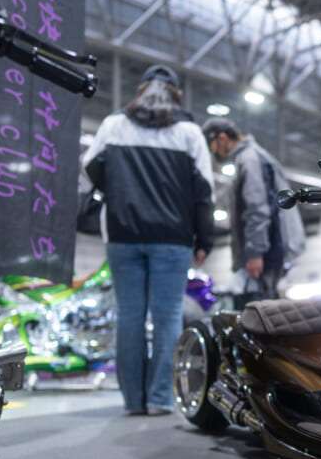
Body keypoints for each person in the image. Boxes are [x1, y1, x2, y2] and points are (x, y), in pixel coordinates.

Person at [83, 65, 214, 415]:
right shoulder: (189, 133)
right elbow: (204, 191)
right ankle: (159, 398)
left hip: (123, 234)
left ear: (140, 91)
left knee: (129, 316)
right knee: (169, 316)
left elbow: (91, 166)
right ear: (176, 95)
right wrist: (205, 239)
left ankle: (133, 400)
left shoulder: (114, 125)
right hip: (172, 238)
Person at [203, 118, 305, 300]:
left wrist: (255, 253)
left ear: (222, 138)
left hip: (267, 252)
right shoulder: (254, 156)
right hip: (269, 249)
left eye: (213, 147)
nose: (214, 153)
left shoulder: (250, 159)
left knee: (260, 315)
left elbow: (257, 208)